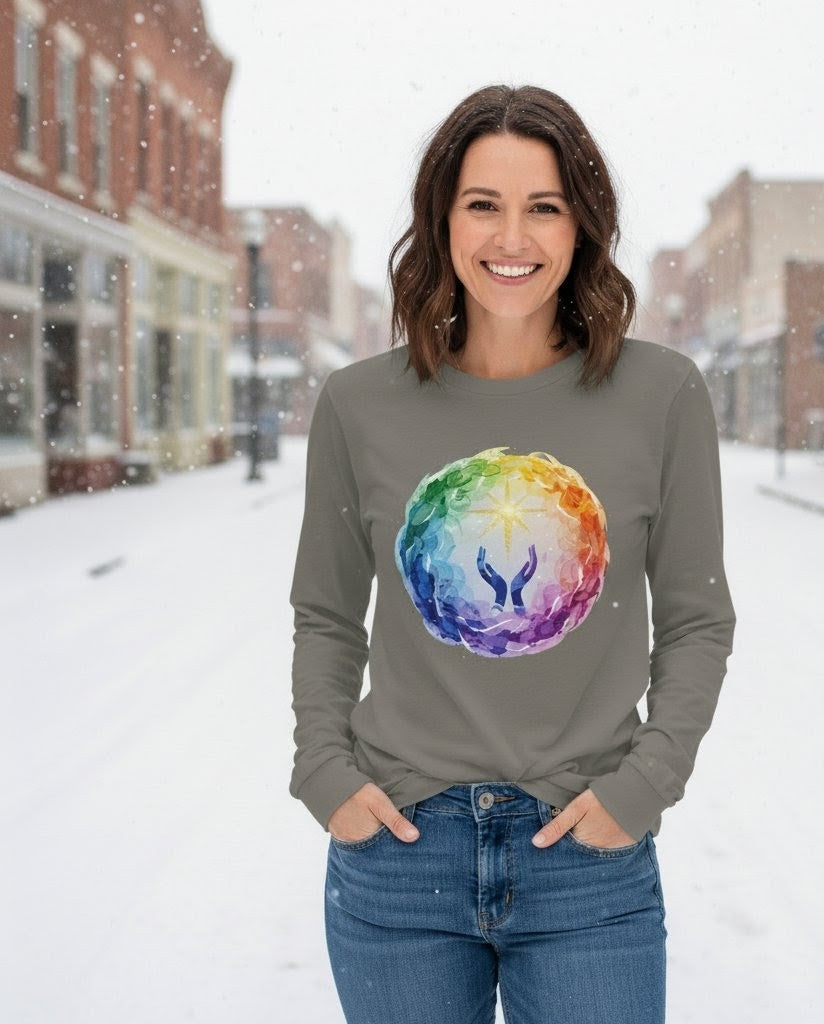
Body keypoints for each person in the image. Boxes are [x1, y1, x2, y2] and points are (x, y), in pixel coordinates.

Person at [288, 83, 737, 1024]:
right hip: (400, 855)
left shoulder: (660, 394)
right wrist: (326, 775)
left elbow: (697, 616)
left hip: (586, 858)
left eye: (545, 207)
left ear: (582, 227)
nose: (512, 238)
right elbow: (328, 614)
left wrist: (646, 785)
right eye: (482, 205)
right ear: (441, 221)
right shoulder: (359, 404)